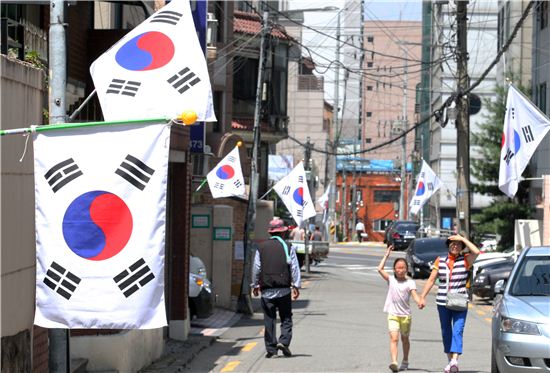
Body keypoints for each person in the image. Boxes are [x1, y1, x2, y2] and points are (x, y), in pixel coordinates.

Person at [418, 234, 480, 373]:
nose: (455, 246)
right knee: (446, 331)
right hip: (442, 302)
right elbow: (431, 280)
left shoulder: (465, 260)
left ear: (462, 247)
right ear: (448, 245)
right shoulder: (440, 261)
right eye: (453, 243)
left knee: (458, 330)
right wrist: (422, 297)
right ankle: (450, 361)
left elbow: (476, 252)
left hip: (459, 300)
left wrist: (463, 238)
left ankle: (454, 361)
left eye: (458, 244)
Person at [251, 217, 301, 358]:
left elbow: (256, 268)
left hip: (267, 290)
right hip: (284, 290)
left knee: (269, 319)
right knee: (286, 317)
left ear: (270, 233)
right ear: (283, 233)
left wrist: (255, 285)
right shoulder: (288, 247)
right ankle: (284, 342)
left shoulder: (261, 247)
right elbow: (294, 267)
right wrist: (296, 286)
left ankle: (271, 349)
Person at [377, 245, 421, 373]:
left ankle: (405, 360)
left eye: (403, 268)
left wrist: (420, 302)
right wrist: (387, 255)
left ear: (406, 269)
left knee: (405, 339)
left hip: (405, 316)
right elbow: (379, 269)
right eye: (398, 268)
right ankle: (394, 362)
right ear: (394, 270)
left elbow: (415, 296)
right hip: (393, 314)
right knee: (394, 338)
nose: (400, 270)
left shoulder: (410, 283)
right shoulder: (391, 280)